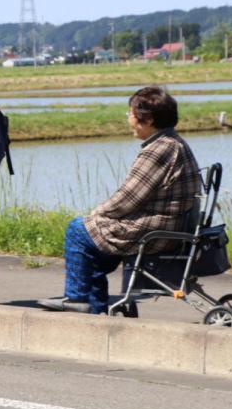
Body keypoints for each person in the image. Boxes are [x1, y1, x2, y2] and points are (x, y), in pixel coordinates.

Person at [38, 86, 201, 314]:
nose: (129, 119)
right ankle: (97, 310)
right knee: (93, 251)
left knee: (77, 229)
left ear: (148, 119)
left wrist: (98, 213)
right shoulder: (174, 142)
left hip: (155, 231)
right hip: (168, 225)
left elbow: (128, 199)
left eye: (130, 114)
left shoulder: (158, 150)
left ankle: (76, 298)